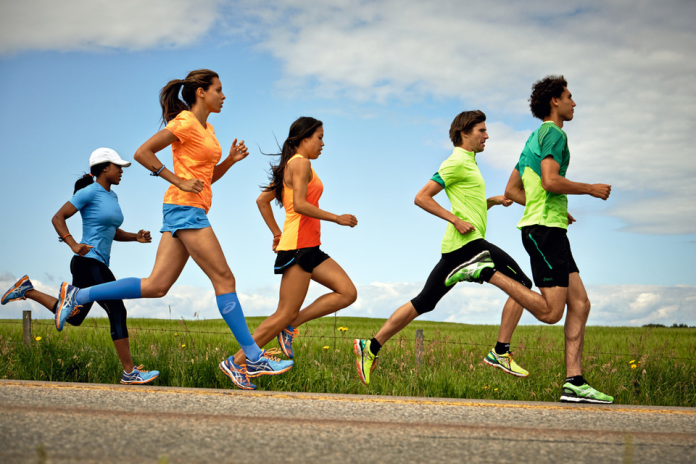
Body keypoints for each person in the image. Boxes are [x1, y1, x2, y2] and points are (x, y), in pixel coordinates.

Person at [49, 69, 292, 390]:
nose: (223, 96)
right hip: (185, 208)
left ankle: (79, 295)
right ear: (201, 92)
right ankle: (250, 357)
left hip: (187, 207)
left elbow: (205, 177)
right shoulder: (184, 122)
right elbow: (142, 153)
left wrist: (230, 160)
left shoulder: (208, 129)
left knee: (156, 286)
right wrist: (177, 180)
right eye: (218, 90)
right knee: (224, 279)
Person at [446, 76, 613, 404]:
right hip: (544, 231)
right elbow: (550, 181)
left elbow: (512, 190)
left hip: (549, 226)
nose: (574, 103)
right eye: (569, 96)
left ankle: (574, 382)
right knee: (551, 313)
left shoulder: (533, 138)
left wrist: (554, 208)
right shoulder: (554, 134)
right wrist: (590, 189)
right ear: (554, 100)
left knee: (580, 303)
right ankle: (486, 272)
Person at [353, 110, 533, 386]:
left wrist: (492, 201)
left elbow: (469, 210)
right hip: (468, 245)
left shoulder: (470, 163)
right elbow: (421, 197)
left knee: (424, 302)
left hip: (457, 248)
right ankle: (500, 352)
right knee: (522, 284)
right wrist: (454, 219)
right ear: (464, 133)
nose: (487, 136)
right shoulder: (457, 161)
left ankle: (371, 346)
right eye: (481, 131)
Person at [2, 148, 159, 385]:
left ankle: (27, 290)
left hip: (95, 263)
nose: (121, 171)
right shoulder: (90, 191)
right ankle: (129, 372)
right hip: (88, 262)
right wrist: (73, 243)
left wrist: (135, 237)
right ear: (104, 167)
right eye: (118, 166)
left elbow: (111, 230)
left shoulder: (112, 196)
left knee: (74, 317)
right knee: (117, 309)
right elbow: (58, 217)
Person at [230, 117, 358, 367]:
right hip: (299, 247)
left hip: (308, 245)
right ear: (304, 138)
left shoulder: (293, 165)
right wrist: (336, 218)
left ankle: (290, 325)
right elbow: (299, 204)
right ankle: (237, 362)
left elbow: (262, 201)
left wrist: (277, 234)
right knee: (284, 312)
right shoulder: (300, 163)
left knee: (347, 292)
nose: (323, 143)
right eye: (320, 137)